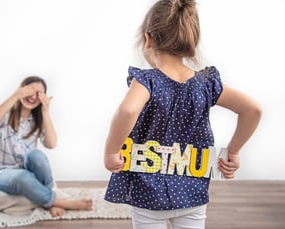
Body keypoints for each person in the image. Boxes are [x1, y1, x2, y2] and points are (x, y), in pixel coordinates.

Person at [103, 0, 262, 229]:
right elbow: (253, 109)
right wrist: (234, 151)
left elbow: (128, 110)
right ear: (190, 41)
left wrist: (111, 151)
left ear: (148, 39)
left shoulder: (147, 81)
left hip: (148, 192)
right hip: (191, 191)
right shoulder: (206, 84)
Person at [0, 76, 92, 217]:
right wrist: (16, 95)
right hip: (3, 174)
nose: (33, 97)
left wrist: (46, 111)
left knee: (37, 156)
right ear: (21, 90)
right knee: (22, 176)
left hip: (27, 171)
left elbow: (51, 144)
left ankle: (48, 200)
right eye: (30, 91)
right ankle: (60, 202)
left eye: (39, 93)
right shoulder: (6, 114)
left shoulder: (36, 119)